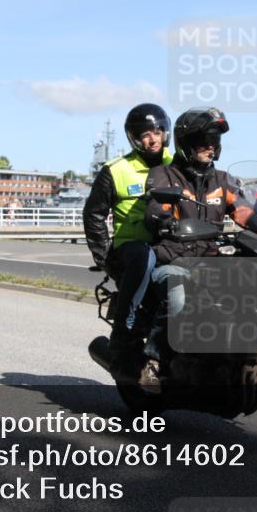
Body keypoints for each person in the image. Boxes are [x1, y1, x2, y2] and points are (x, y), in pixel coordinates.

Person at [142, 107, 254, 392]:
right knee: (177, 296)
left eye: (214, 140)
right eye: (204, 140)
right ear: (186, 143)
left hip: (210, 262)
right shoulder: (164, 175)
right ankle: (153, 360)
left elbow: (244, 212)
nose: (211, 146)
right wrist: (166, 222)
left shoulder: (223, 180)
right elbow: (155, 211)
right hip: (174, 259)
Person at [83, 103, 173, 374]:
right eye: (145, 133)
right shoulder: (116, 170)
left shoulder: (177, 164)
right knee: (143, 257)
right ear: (134, 138)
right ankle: (124, 328)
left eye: (157, 131)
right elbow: (94, 215)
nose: (153, 138)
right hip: (132, 247)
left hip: (171, 244)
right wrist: (105, 258)